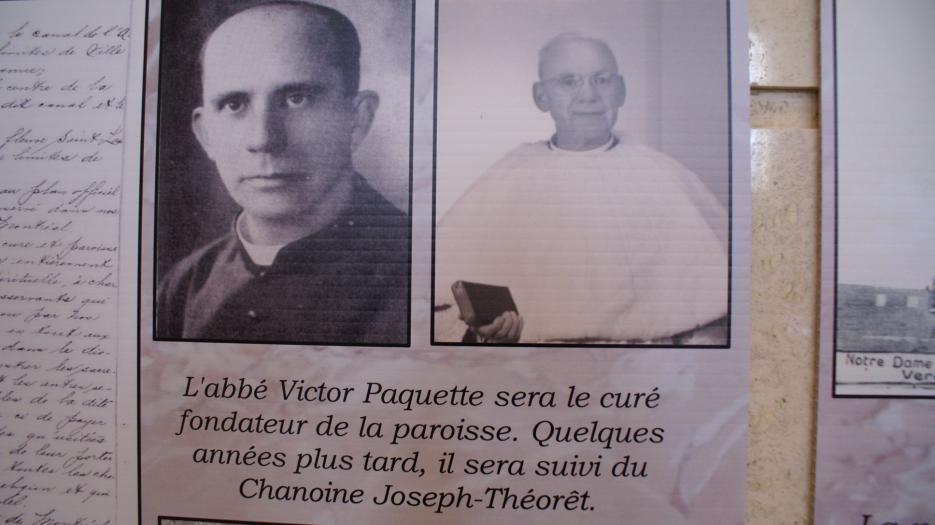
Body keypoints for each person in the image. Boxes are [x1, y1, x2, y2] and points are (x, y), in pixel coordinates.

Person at [434, 33, 728, 344]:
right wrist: (487, 331)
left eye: (602, 80)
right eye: (568, 81)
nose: (588, 95)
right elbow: (448, 302)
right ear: (541, 96)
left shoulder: (668, 178)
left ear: (621, 90)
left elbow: (710, 316)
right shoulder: (508, 177)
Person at [156, 1, 409, 345]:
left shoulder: (420, 271)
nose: (263, 139)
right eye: (234, 104)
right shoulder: (184, 285)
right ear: (206, 135)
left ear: (357, 119)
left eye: (297, 98)